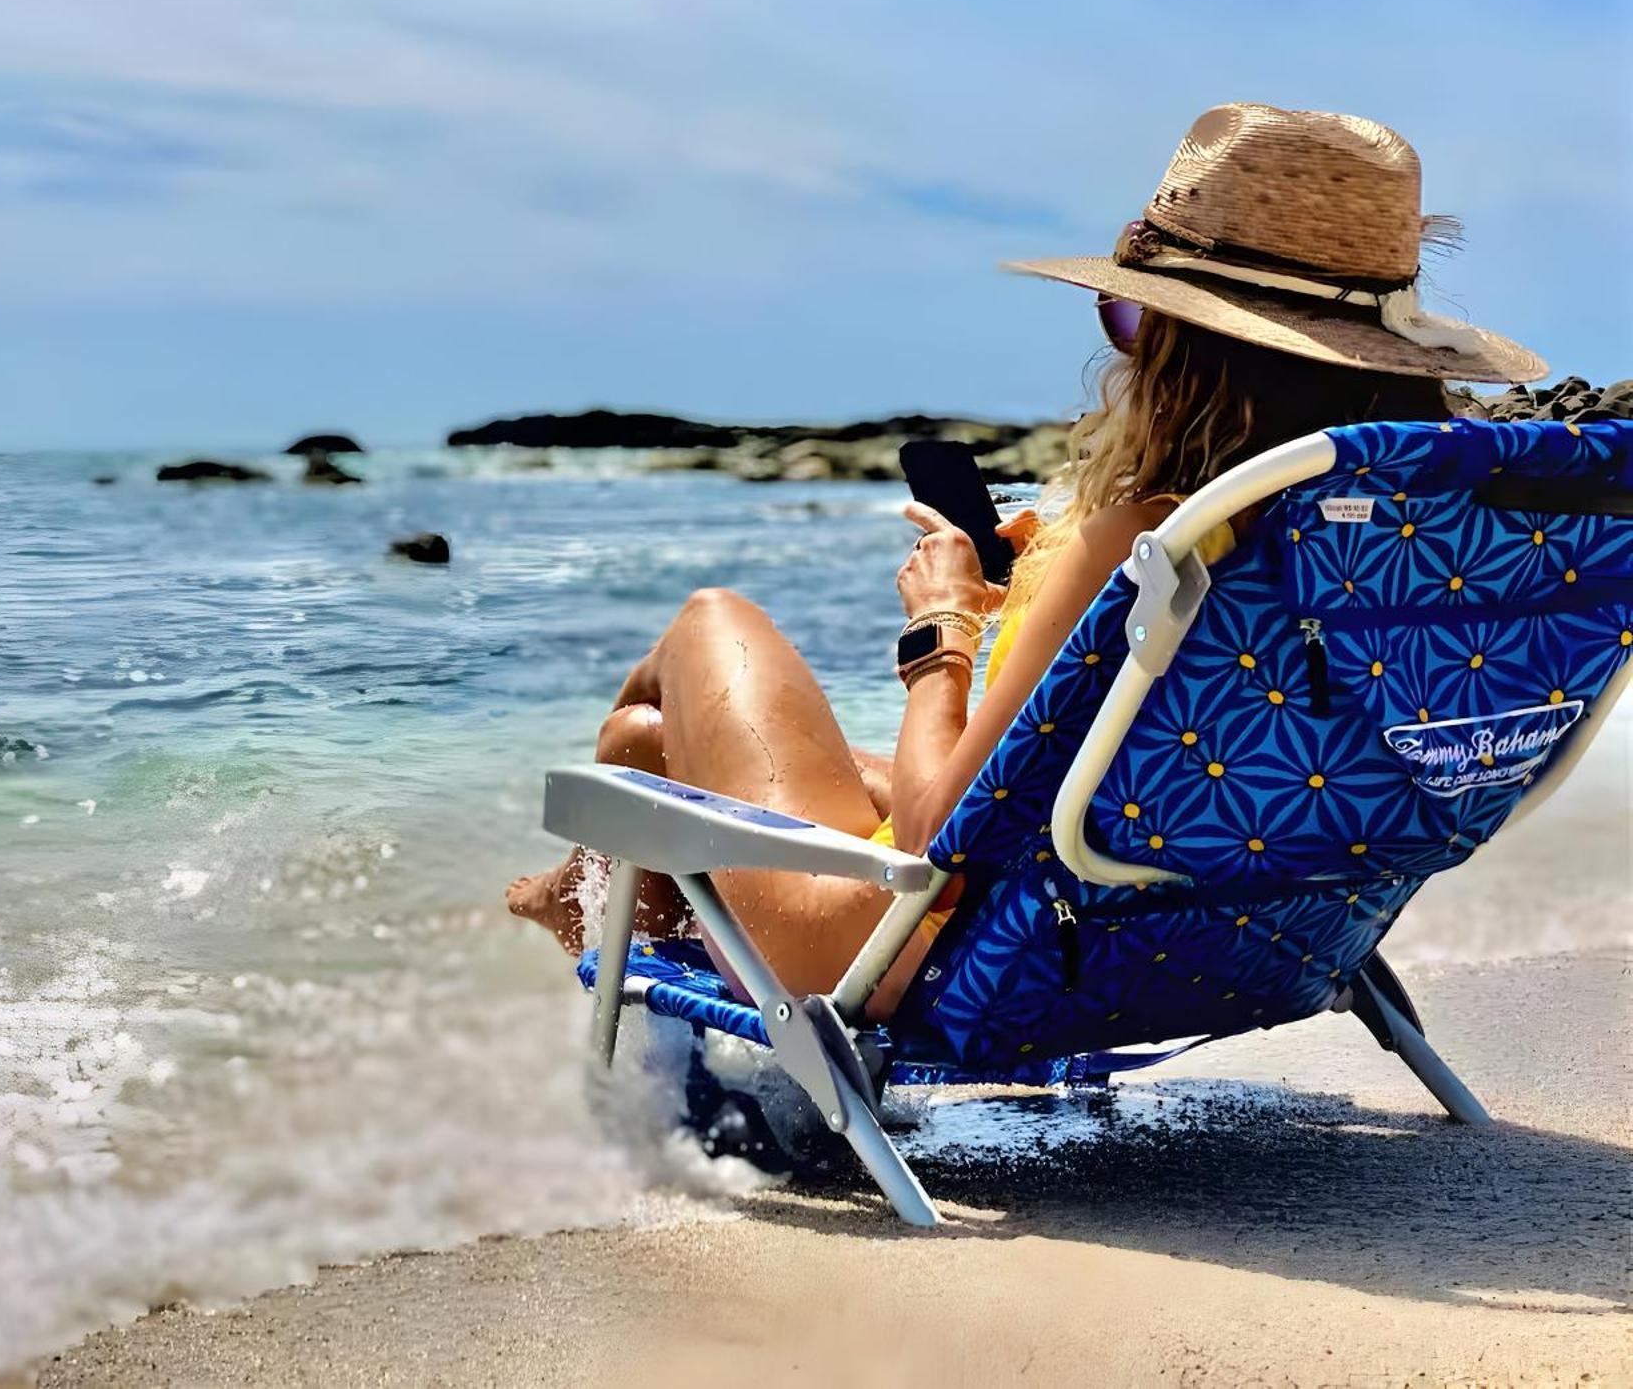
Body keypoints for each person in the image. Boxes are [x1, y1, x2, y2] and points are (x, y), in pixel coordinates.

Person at [506, 103, 1545, 1014]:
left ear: (1193, 349)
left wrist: (945, 629)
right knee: (645, 742)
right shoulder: (1404, 542)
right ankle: (619, 982)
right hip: (1244, 938)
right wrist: (1046, 603)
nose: (1122, 348)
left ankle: (580, 914)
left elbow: (930, 829)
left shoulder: (1145, 532)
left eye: (1134, 316)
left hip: (936, 951)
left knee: (707, 621)